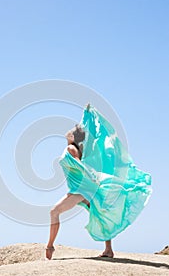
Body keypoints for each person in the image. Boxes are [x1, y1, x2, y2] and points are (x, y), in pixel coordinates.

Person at [45, 103, 152, 260]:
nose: (68, 132)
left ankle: (50, 247)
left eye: (71, 132)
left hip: (81, 190)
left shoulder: (71, 149)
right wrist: (87, 114)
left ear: (73, 137)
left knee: (54, 212)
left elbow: (79, 163)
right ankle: (108, 249)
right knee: (100, 214)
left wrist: (90, 175)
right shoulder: (79, 148)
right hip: (84, 188)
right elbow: (84, 129)